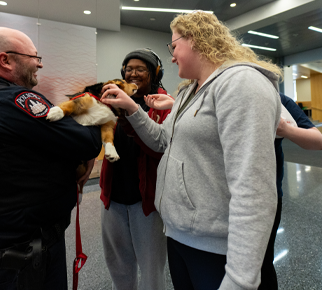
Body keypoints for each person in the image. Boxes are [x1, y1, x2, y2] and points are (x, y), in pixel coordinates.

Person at [100, 11, 282, 290]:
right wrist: (134, 109)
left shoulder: (242, 84)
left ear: (195, 40)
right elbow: (162, 140)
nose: (172, 56)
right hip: (180, 236)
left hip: (216, 247)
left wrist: (240, 279)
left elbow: (255, 189)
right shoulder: (188, 92)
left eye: (174, 46)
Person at [0, 27, 101, 290]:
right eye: (34, 57)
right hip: (28, 260)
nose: (39, 64)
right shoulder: (13, 100)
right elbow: (86, 140)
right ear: (5, 60)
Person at [99, 48, 171, 290]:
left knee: (151, 268)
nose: (133, 73)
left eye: (140, 69)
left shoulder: (164, 103)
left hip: (147, 201)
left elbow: (160, 148)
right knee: (118, 265)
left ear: (154, 73)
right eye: (129, 69)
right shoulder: (112, 99)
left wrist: (132, 115)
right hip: (114, 197)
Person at [259, 93, 322, 290]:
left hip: (265, 194)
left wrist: (285, 129)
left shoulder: (275, 97)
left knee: (261, 264)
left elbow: (316, 139)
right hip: (220, 196)